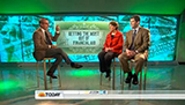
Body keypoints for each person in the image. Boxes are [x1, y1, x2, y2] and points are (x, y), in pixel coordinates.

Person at [118, 15, 150, 85]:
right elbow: (125, 44)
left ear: (138, 22)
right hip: (129, 52)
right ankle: (129, 73)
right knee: (121, 57)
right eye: (130, 22)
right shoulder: (128, 32)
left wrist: (135, 52)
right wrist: (127, 50)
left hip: (139, 52)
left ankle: (135, 75)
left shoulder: (145, 31)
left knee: (141, 58)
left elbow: (145, 44)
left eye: (132, 22)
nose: (131, 23)